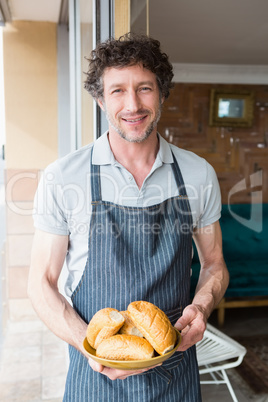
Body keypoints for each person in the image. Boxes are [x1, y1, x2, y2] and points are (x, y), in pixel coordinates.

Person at [28, 33, 229, 401]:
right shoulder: (64, 176)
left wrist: (201, 308)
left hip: (176, 373)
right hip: (96, 377)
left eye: (145, 88)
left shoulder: (197, 174)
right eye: (118, 90)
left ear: (162, 93)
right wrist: (91, 348)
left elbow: (214, 264)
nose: (133, 104)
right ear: (101, 98)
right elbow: (41, 282)